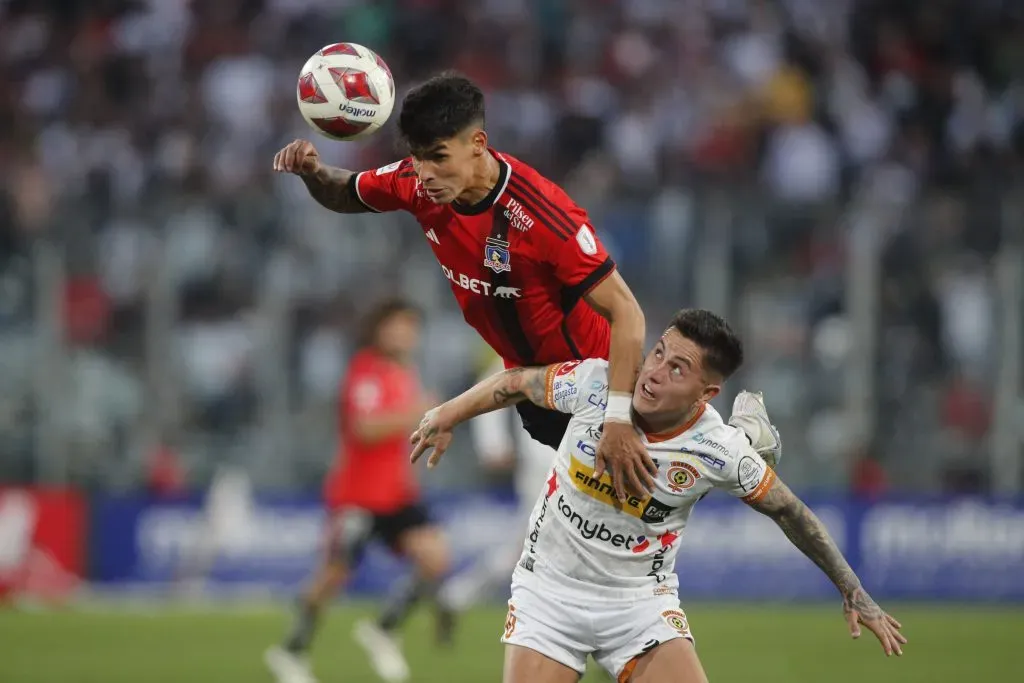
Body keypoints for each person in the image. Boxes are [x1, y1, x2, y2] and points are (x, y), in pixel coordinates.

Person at [273, 71, 775, 502]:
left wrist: (619, 418)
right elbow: (347, 193)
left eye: (438, 157)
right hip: (531, 389)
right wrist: (314, 172)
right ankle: (734, 440)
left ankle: (740, 441)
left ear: (477, 144)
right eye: (417, 157)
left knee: (636, 507)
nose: (424, 173)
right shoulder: (417, 181)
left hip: (595, 386)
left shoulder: (543, 217)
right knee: (641, 501)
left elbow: (628, 312)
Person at [410, 309, 907, 683]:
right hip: (549, 593)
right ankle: (761, 443)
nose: (653, 371)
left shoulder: (716, 449)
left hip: (638, 603)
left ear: (706, 393)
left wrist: (852, 590)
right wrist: (447, 414)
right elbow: (516, 383)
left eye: (678, 369)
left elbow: (791, 513)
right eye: (658, 352)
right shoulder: (598, 383)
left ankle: (759, 446)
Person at [265, 299, 450, 683]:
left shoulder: (404, 372)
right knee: (332, 576)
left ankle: (384, 629)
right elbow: (365, 429)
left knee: (435, 557)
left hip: (396, 493)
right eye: (397, 326)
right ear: (379, 330)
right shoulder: (365, 370)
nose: (405, 334)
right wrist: (417, 411)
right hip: (358, 496)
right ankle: (291, 651)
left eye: (410, 327)